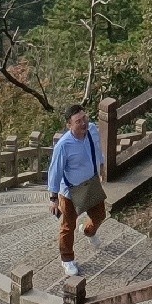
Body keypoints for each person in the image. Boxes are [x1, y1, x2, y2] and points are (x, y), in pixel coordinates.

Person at [45, 104, 107, 277]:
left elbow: (98, 147)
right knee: (67, 226)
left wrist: (101, 165)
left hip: (92, 183)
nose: (83, 123)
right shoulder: (64, 145)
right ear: (69, 125)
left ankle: (88, 231)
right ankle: (67, 260)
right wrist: (53, 198)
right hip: (70, 191)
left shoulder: (92, 129)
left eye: (84, 118)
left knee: (100, 215)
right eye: (78, 121)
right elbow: (55, 171)